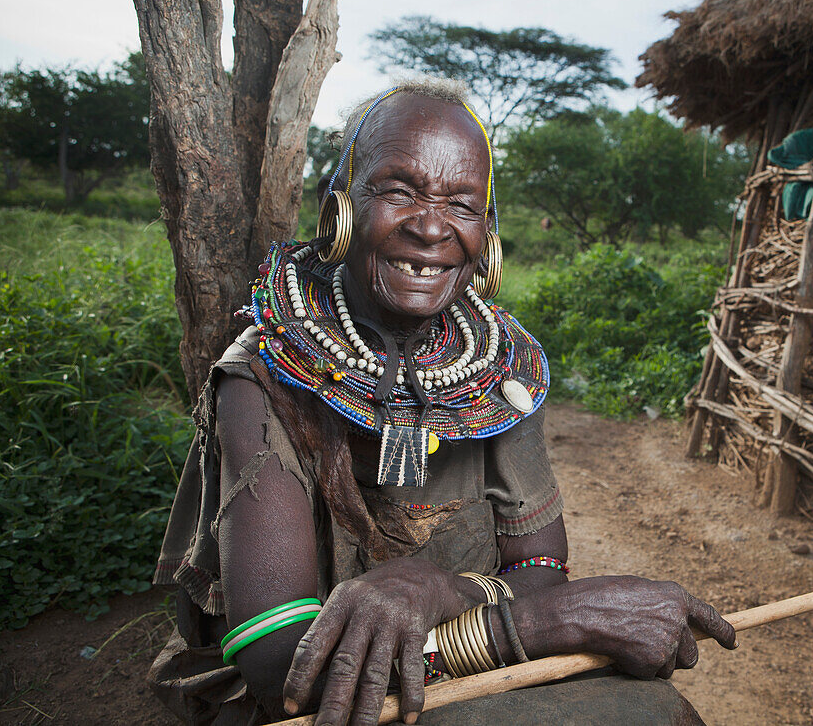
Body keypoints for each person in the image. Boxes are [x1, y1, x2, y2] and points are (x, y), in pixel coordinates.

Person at [149, 79, 737, 726]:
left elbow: (539, 566)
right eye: (399, 189)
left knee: (665, 713)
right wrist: (540, 624)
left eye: (462, 203)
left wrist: (439, 588)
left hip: (461, 656)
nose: (432, 228)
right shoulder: (264, 376)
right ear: (338, 204)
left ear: (487, 231)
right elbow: (279, 660)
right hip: (320, 703)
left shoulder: (496, 366)